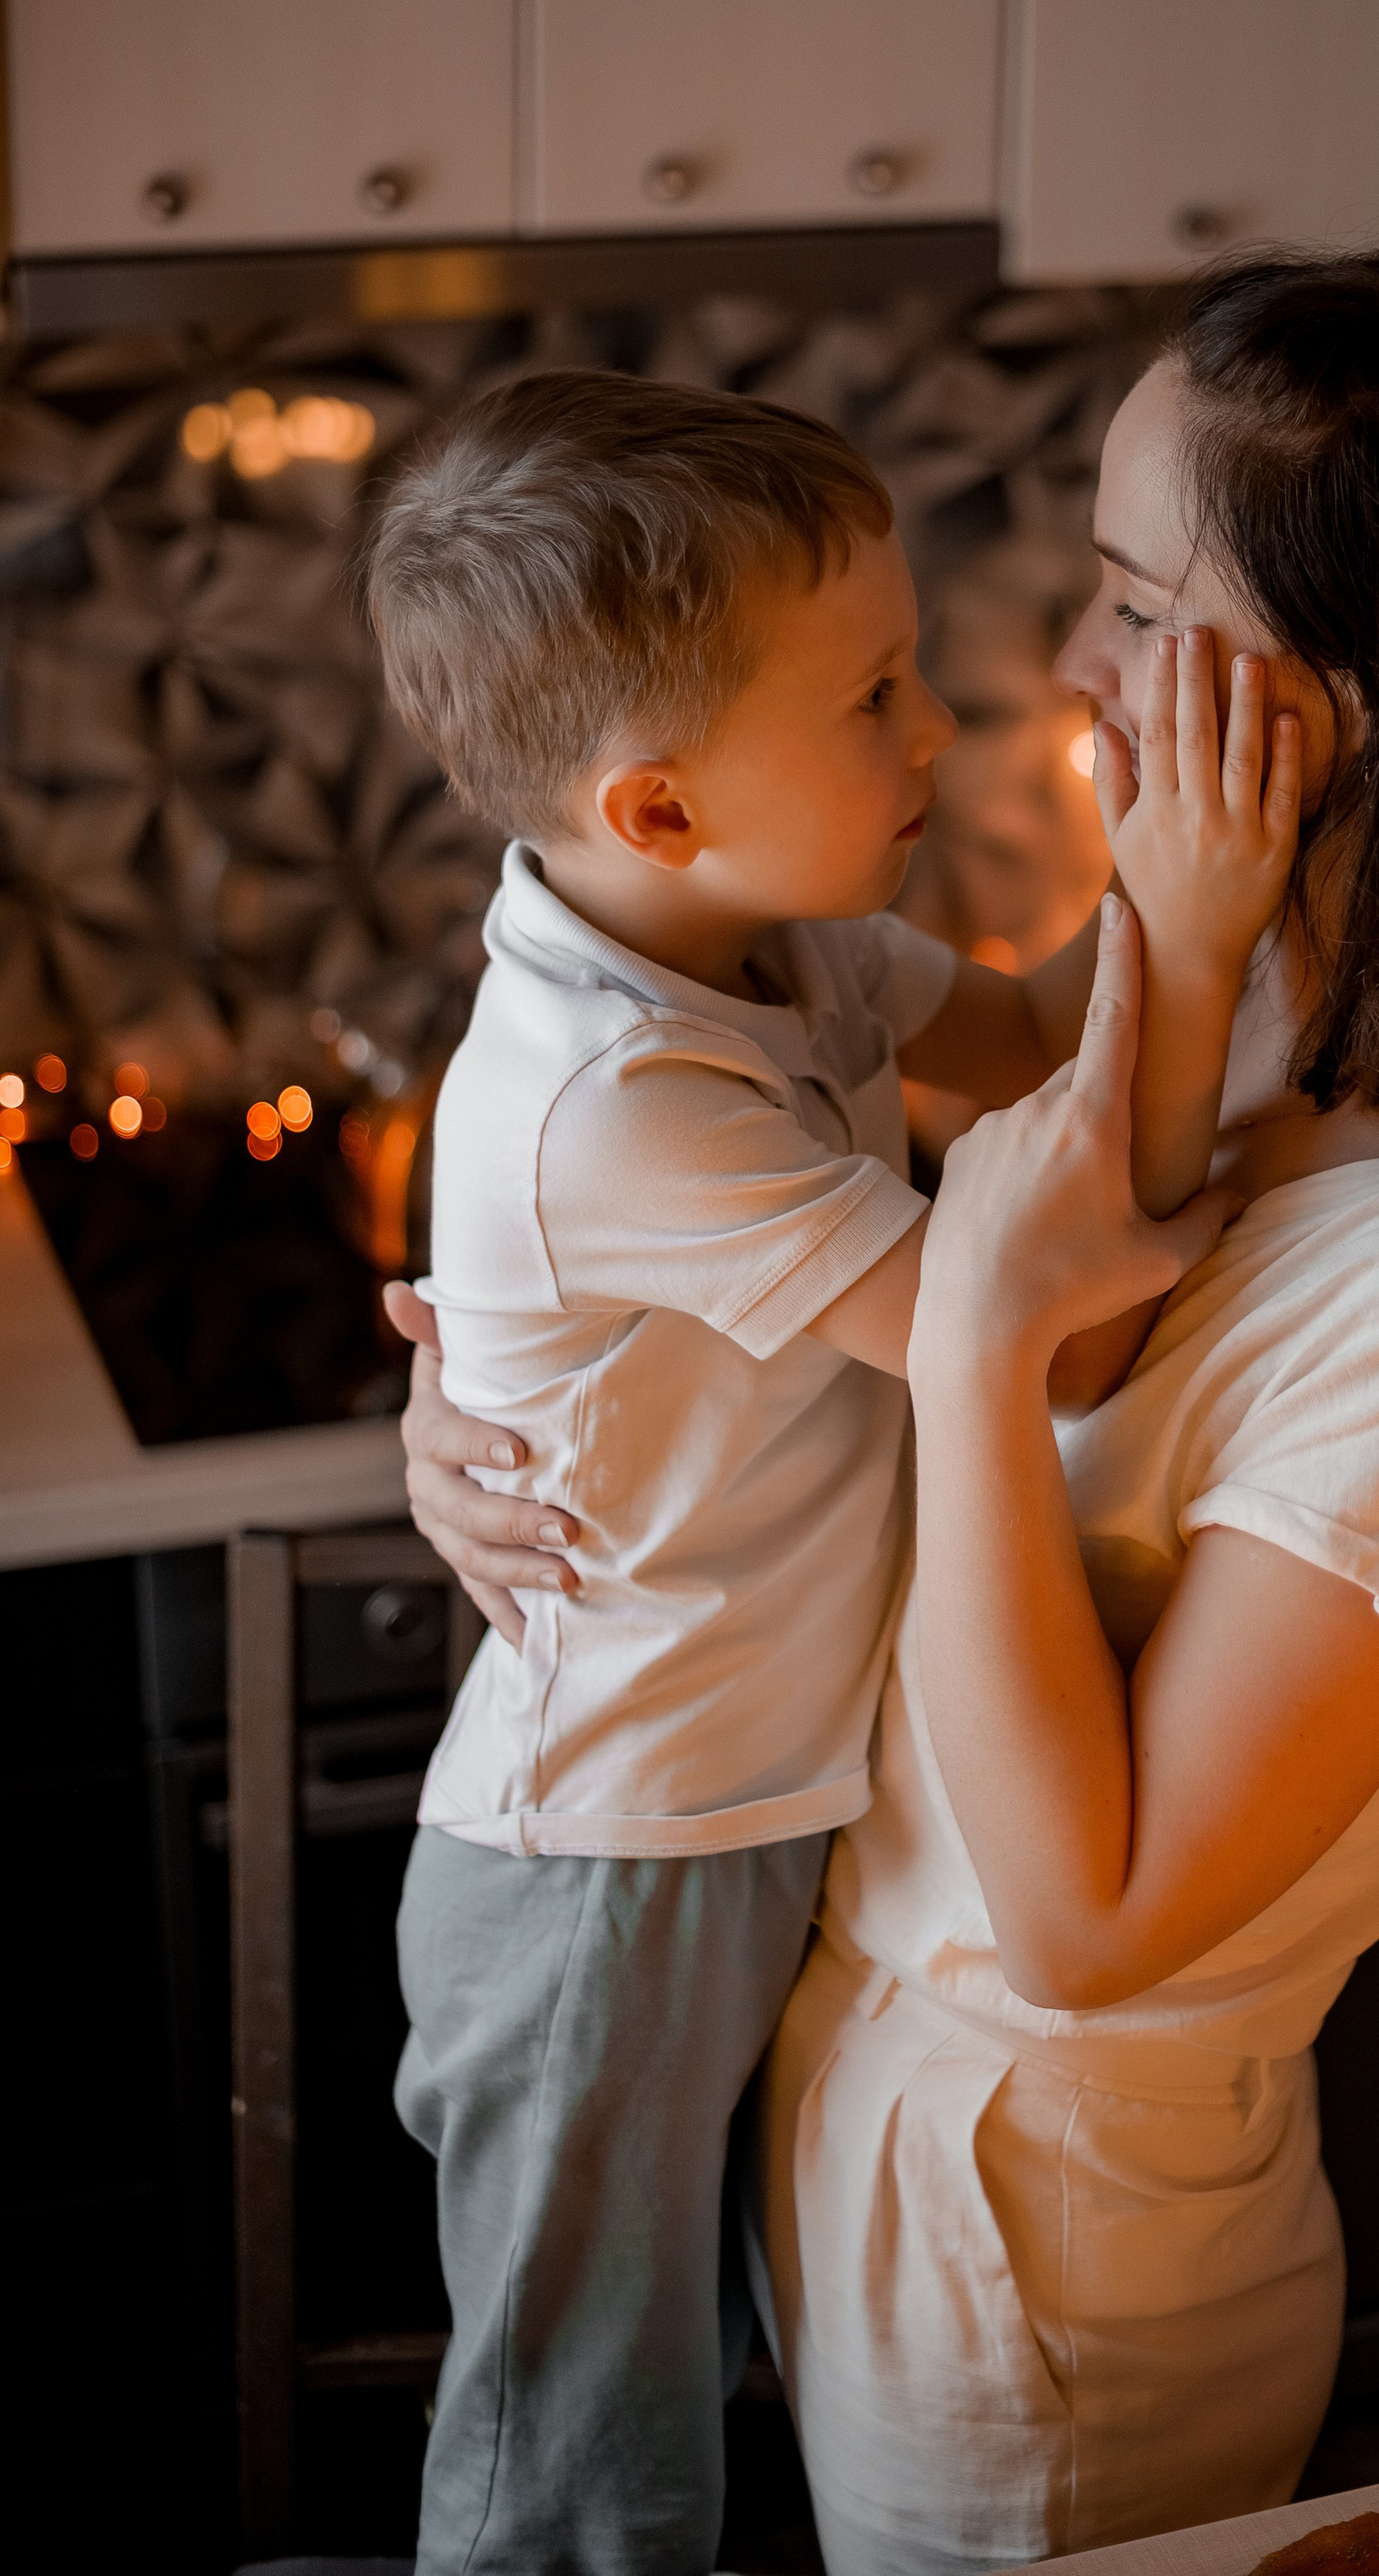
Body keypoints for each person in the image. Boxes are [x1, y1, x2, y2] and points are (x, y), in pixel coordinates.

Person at [399, 257, 1379, 2574]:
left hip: (1052, 2271)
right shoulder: (1236, 1002)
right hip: (872, 2127)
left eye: (1137, 599)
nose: (1061, 670)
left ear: (1356, 700)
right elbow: (930, 1268)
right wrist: (516, 1408)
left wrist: (955, 1337)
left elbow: (1092, 1910)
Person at [361, 367, 1292, 2576]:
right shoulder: (621, 1100)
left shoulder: (777, 952)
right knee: (578, 2449)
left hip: (728, 1800)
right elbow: (1038, 1331)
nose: (937, 736)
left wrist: (1187, 861)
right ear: (663, 806)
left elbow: (1060, 1039)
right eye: (875, 696)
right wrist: (1213, 933)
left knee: (686, 2396)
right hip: (608, 1856)